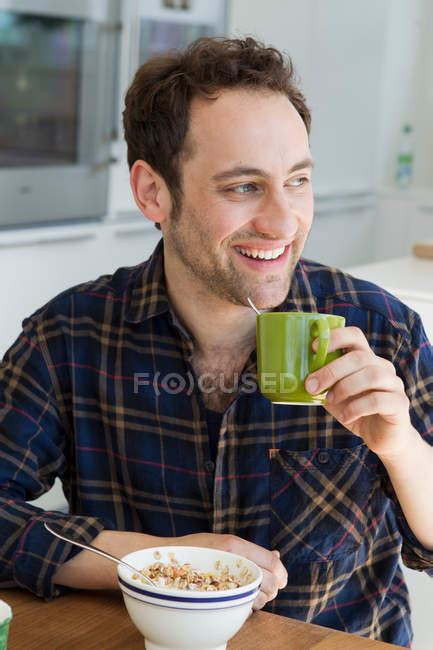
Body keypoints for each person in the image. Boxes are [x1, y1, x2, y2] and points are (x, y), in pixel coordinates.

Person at [0, 36, 432, 646]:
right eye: (243, 187)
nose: (284, 221)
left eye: (298, 180)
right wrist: (157, 560)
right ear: (153, 193)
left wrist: (402, 447)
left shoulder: (383, 327)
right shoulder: (68, 336)